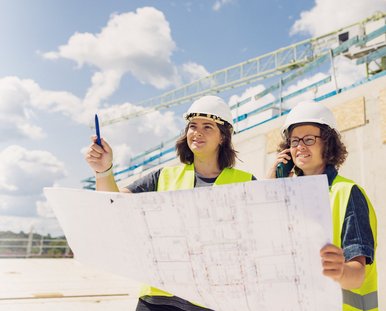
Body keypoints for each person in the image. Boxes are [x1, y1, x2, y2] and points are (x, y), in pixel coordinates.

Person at [85, 95, 256, 311]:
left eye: (208, 127)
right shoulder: (163, 176)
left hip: (211, 300)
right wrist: (103, 171)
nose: (198, 132)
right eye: (192, 126)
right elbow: (112, 206)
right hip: (158, 298)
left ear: (223, 137)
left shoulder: (246, 182)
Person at [267, 100, 378, 311]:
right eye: (294, 141)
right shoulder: (286, 194)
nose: (299, 147)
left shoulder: (347, 193)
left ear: (327, 144)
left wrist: (341, 271)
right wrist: (269, 187)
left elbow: (358, 275)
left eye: (309, 139)